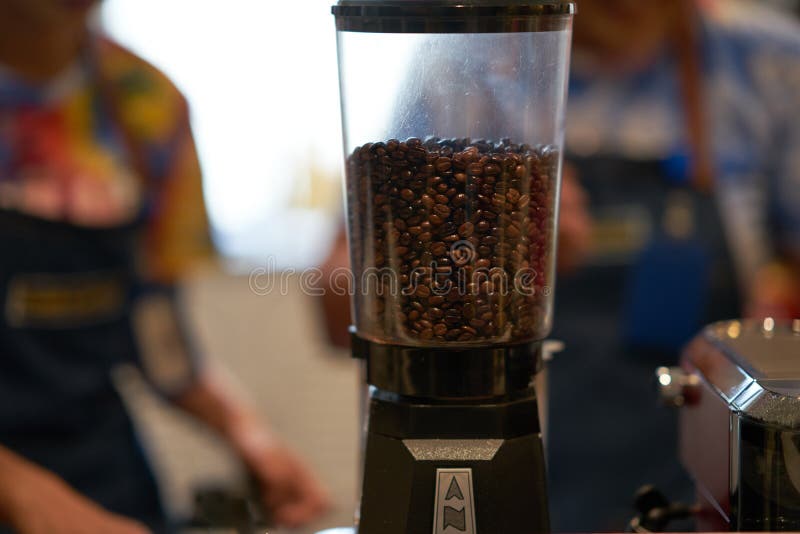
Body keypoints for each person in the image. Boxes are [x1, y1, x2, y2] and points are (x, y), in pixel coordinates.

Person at [0, 1, 329, 533]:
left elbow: (158, 336)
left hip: (104, 481)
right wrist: (21, 492)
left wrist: (249, 435)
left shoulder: (145, 105)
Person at [546, 0, 800, 530]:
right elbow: (348, 305)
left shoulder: (769, 62)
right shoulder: (481, 62)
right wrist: (483, 246)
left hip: (710, 498)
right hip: (543, 484)